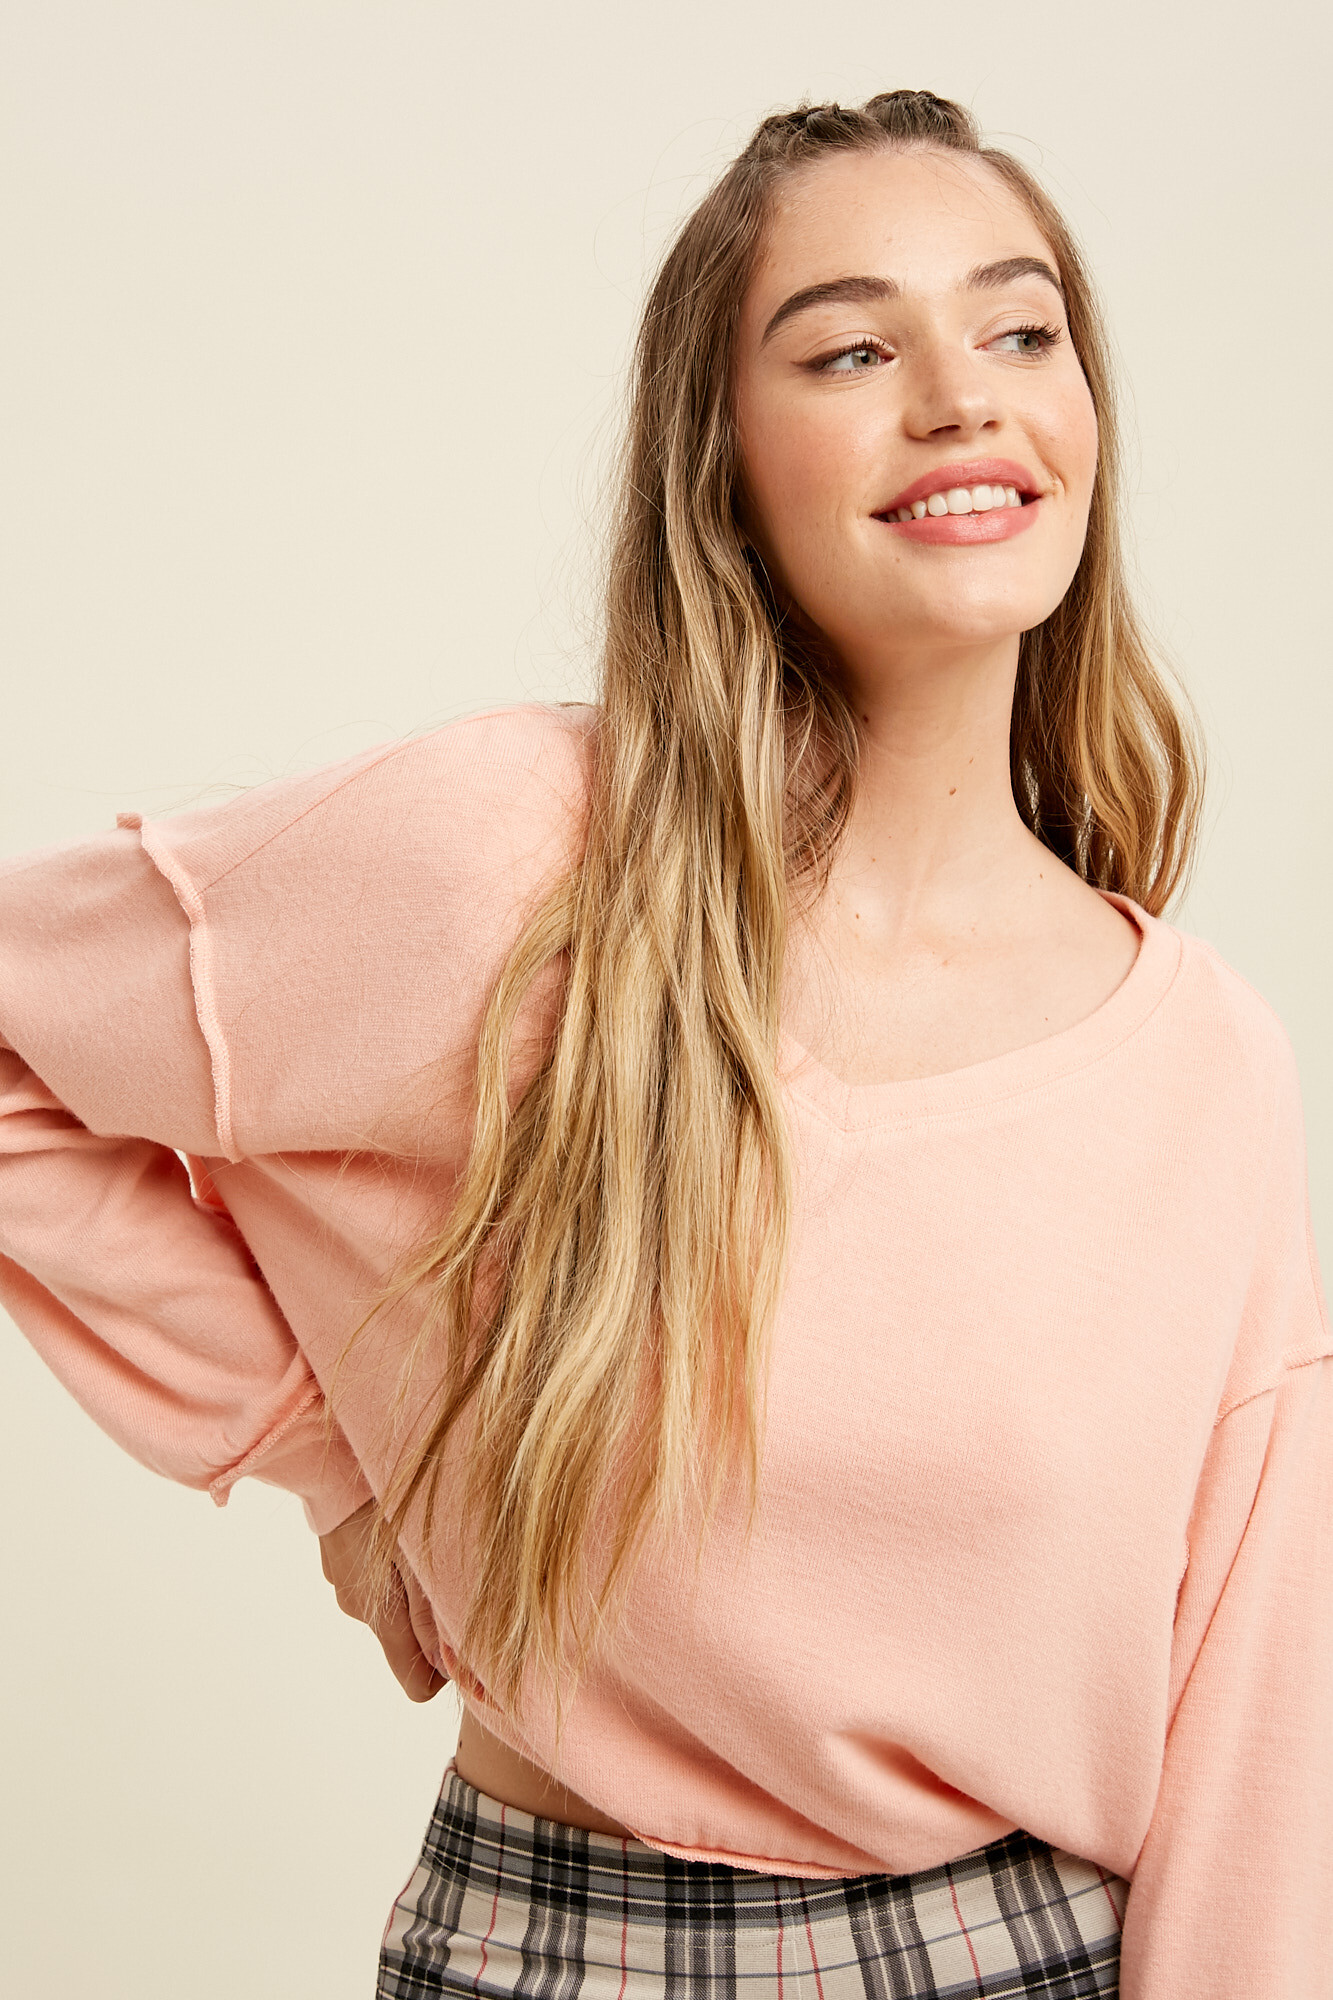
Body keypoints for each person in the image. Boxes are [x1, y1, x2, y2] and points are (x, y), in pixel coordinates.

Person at [0, 86, 1327, 2000]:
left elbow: (1262, 1734)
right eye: (853, 349)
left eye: (1020, 330)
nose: (960, 397)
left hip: (1030, 1953)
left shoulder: (1200, 1067)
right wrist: (329, 1454)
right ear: (721, 462)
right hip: (557, 1948)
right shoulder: (519, 866)